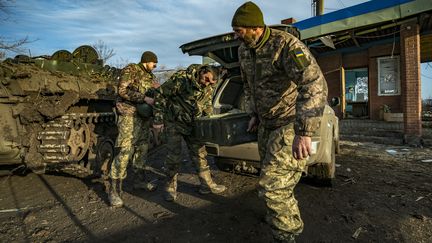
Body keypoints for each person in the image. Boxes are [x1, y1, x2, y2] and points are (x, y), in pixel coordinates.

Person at [231, 2, 328, 242]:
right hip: (266, 125)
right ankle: (278, 217)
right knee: (271, 180)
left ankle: (286, 235)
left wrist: (304, 131)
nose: (236, 35)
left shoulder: (285, 45)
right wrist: (253, 113)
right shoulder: (243, 50)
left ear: (256, 28)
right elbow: (249, 86)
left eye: (239, 30)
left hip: (288, 122)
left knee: (273, 187)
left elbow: (314, 84)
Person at [152, 64, 226, 202]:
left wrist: (207, 121)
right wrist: (158, 119)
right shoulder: (181, 79)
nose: (208, 84)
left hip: (194, 124)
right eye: (206, 79)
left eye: (212, 82)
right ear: (202, 72)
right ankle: (170, 188)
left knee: (200, 154)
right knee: (173, 157)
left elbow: (207, 105)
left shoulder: (208, 87)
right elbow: (160, 94)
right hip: (174, 122)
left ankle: (207, 185)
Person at [108, 51, 159, 207]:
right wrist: (144, 98)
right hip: (129, 115)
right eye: (154, 64)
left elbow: (153, 92)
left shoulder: (149, 77)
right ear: (147, 61)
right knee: (124, 149)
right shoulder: (131, 70)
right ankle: (114, 191)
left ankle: (139, 181)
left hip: (143, 117)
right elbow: (122, 91)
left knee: (142, 148)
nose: (155, 67)